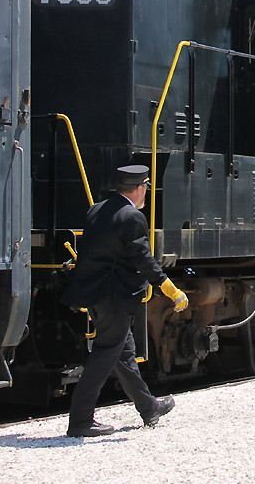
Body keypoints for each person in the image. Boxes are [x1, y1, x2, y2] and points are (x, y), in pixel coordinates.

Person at [62, 164, 189, 438]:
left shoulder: (96, 210)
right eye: (146, 189)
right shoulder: (132, 217)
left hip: (96, 295)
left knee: (124, 354)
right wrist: (170, 289)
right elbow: (142, 259)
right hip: (115, 299)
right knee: (105, 355)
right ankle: (80, 420)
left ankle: (148, 407)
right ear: (141, 188)